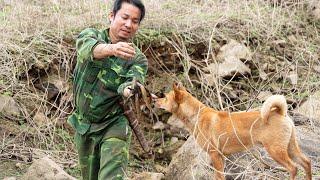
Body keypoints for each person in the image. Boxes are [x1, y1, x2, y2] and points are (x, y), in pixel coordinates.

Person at [67, 0, 147, 179]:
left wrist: (129, 90)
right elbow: (87, 50)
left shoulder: (137, 59)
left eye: (135, 21)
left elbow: (133, 82)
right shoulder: (90, 35)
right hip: (84, 125)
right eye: (124, 17)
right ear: (112, 16)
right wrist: (112, 49)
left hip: (113, 125)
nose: (128, 24)